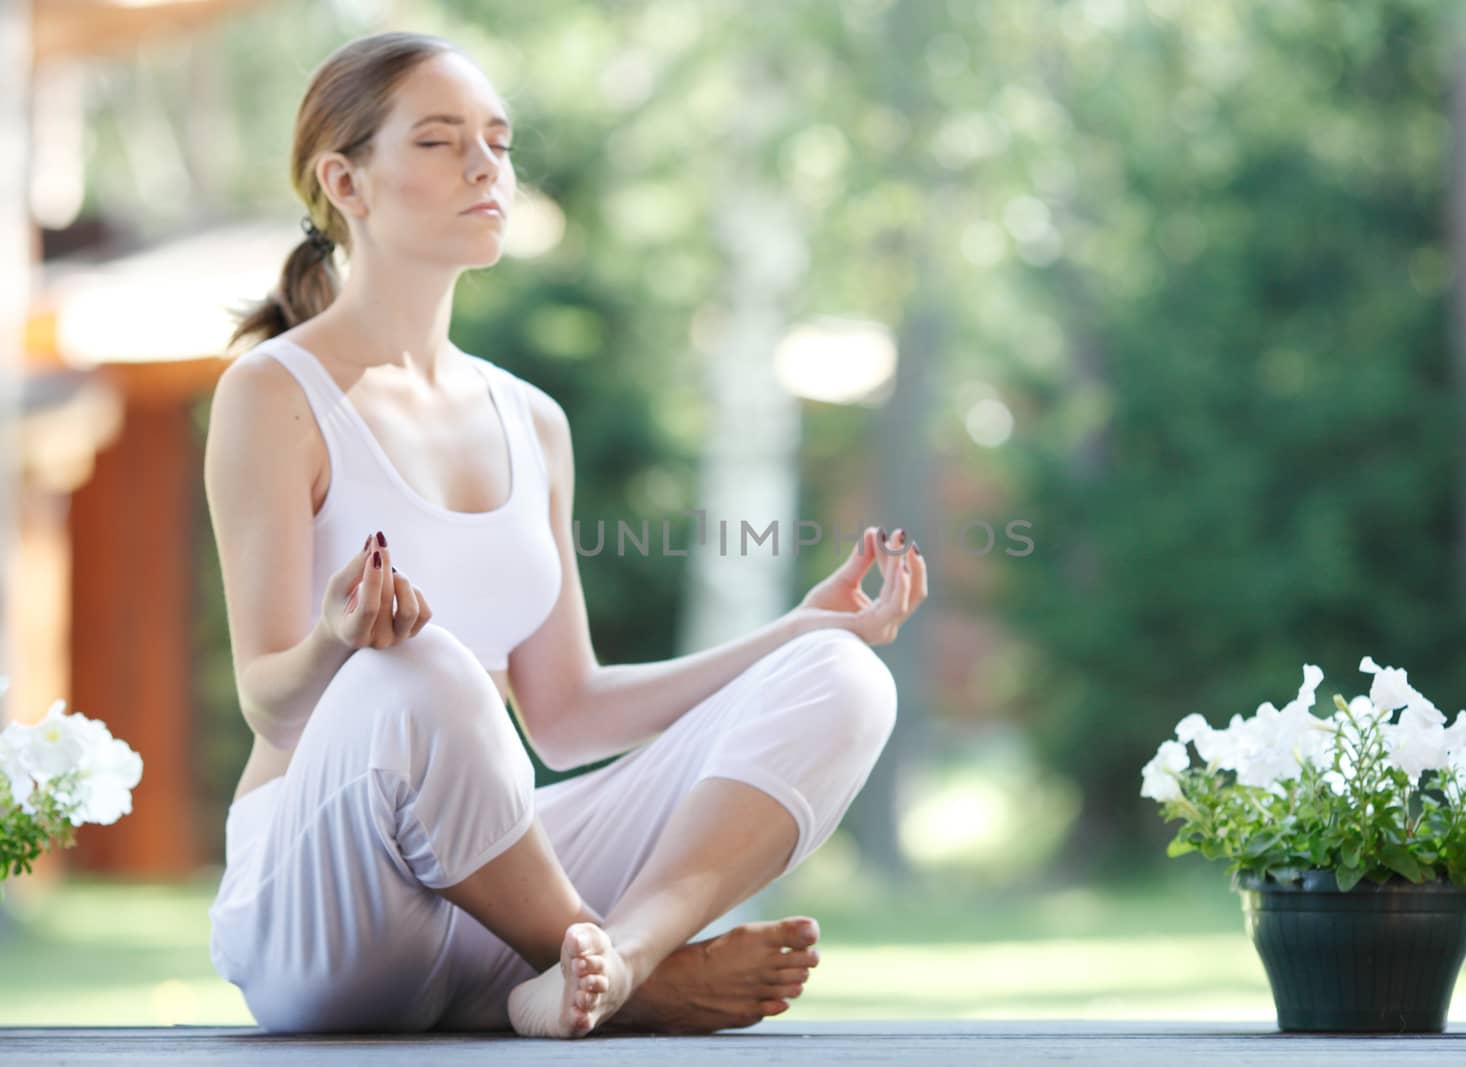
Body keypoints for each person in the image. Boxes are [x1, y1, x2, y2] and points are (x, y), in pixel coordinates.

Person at [203, 30, 928, 1039]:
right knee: (422, 667)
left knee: (845, 677)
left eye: (497, 141)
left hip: (490, 902)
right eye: (439, 140)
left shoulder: (530, 421)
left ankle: (615, 957)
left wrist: (797, 631)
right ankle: (625, 969)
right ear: (346, 180)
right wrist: (339, 639)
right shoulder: (275, 393)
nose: (484, 165)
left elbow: (568, 713)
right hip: (320, 903)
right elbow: (271, 706)